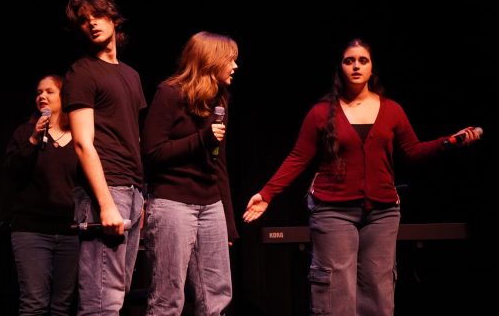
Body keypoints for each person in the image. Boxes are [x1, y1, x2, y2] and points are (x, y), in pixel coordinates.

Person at [242, 39, 481, 316]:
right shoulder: (321, 112)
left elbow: (413, 152)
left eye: (362, 60)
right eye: (349, 60)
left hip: (383, 212)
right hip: (333, 209)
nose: (356, 66)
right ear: (340, 67)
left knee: (379, 292)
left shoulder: (391, 110)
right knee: (335, 292)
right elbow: (298, 157)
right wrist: (267, 194)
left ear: (371, 68)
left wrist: (449, 142)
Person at [141, 31, 240, 316]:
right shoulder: (170, 93)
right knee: (167, 300)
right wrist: (202, 139)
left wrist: (229, 223)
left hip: (211, 206)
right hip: (173, 203)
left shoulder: (220, 100)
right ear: (211, 60)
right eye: (230, 60)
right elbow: (152, 152)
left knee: (216, 297)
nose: (235, 67)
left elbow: (219, 162)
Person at [61, 0, 146, 315]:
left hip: (132, 190)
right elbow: (83, 143)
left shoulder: (131, 75)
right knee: (101, 302)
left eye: (97, 15)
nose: (92, 24)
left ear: (113, 17)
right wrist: (105, 203)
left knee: (117, 296)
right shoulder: (82, 72)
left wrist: (142, 195)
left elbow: (133, 138)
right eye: (84, 21)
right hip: (105, 192)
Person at [5, 74, 80, 316]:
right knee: (34, 303)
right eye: (39, 92)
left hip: (71, 232)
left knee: (62, 306)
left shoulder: (81, 137)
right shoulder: (25, 132)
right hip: (32, 230)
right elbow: (12, 172)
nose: (42, 97)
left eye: (49, 91)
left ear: (64, 96)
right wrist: (34, 139)